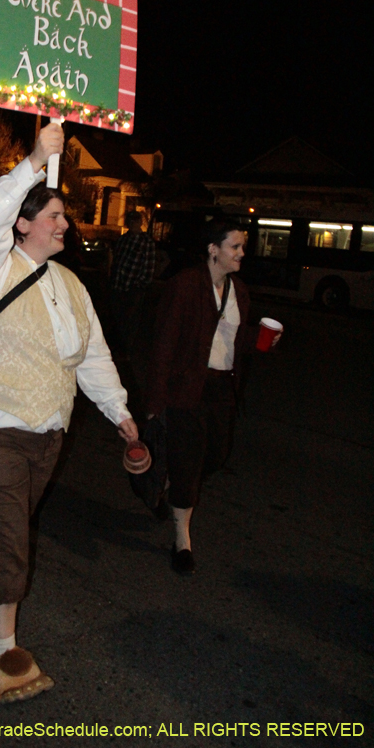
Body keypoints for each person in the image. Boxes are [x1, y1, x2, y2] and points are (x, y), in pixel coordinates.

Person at [0, 123, 138, 703]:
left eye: (64, 218)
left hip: (47, 433)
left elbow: (92, 355)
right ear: (24, 223)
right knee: (10, 539)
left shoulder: (73, 284)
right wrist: (33, 162)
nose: (64, 224)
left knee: (6, 524)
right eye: (53, 216)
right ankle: (4, 651)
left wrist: (120, 414)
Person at [146, 218, 281, 575]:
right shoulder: (185, 286)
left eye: (242, 246)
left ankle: (175, 482)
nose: (242, 253)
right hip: (188, 388)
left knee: (217, 455)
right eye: (235, 246)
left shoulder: (239, 290)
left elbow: (232, 337)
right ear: (213, 249)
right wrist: (155, 402)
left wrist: (258, 340)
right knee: (189, 461)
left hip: (223, 387)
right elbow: (163, 344)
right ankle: (182, 540)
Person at [109, 210, 156, 358]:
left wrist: (140, 285)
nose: (133, 224)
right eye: (131, 221)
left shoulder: (146, 242)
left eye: (135, 221)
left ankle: (126, 351)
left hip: (133, 288)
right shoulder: (123, 239)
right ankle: (116, 347)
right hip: (118, 286)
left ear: (140, 223)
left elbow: (149, 267)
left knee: (130, 321)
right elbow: (117, 261)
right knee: (116, 318)